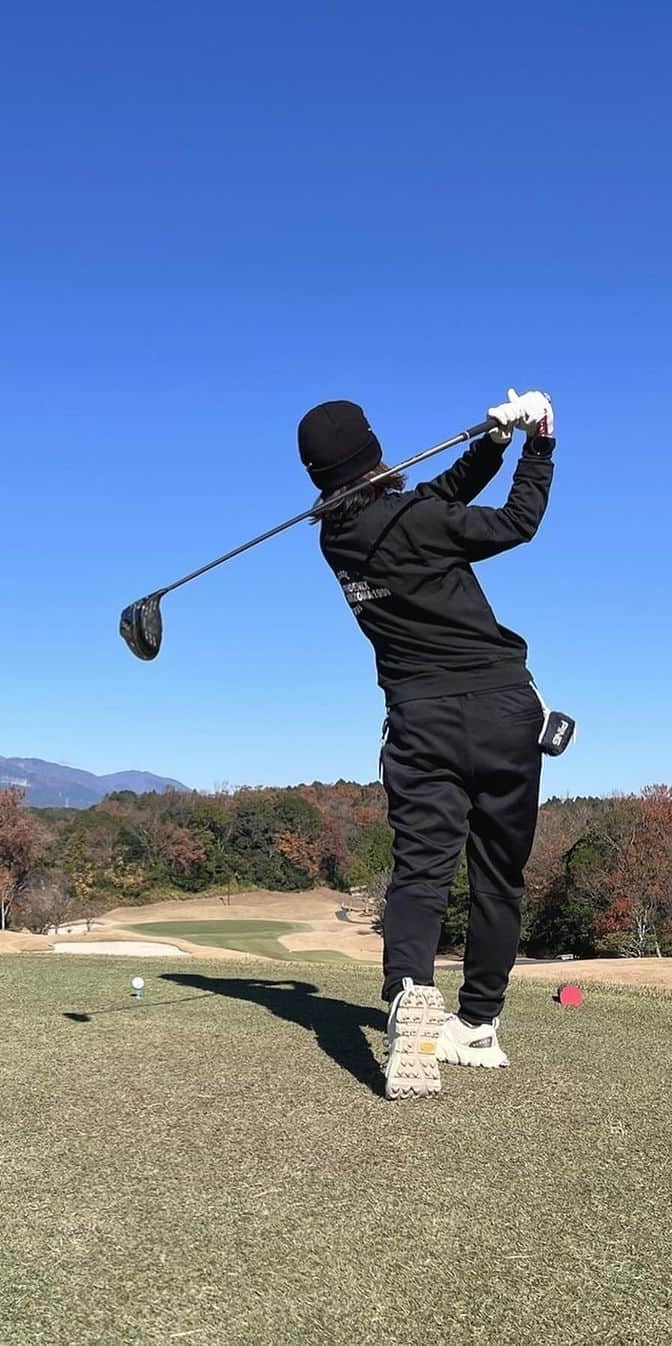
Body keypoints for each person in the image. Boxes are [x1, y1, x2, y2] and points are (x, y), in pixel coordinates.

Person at [297, 390, 555, 1099]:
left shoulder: (335, 540)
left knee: (421, 873)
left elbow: (427, 504)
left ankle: (409, 988)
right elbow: (517, 522)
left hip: (419, 722)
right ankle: (476, 1026)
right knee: (498, 876)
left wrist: (491, 447)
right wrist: (538, 444)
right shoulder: (416, 521)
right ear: (375, 450)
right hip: (503, 711)